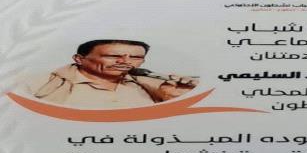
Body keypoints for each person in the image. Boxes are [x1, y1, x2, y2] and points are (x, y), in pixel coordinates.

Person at [28, 39, 197, 108]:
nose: (125, 62)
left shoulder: (151, 84)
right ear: (79, 59)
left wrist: (171, 97)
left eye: (135, 57)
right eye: (112, 56)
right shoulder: (40, 84)